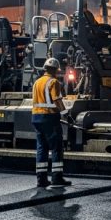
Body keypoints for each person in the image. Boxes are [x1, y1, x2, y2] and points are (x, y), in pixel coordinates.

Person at [32, 58, 71, 187]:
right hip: (49, 117)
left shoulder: (37, 82)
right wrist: (66, 115)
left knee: (41, 148)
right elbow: (57, 100)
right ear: (55, 69)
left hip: (36, 117)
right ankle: (57, 178)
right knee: (56, 148)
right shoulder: (54, 82)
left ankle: (41, 180)